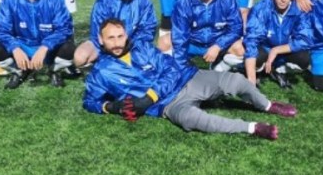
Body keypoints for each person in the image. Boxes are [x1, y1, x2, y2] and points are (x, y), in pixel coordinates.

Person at [83, 18, 299, 140]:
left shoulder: (143, 49)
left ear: (126, 35)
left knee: (236, 81)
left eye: (120, 36)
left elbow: (171, 69)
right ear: (101, 40)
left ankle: (268, 105)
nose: (117, 42)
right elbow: (89, 101)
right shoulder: (101, 72)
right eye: (111, 38)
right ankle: (253, 127)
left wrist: (149, 97)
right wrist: (110, 107)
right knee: (193, 120)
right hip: (168, 105)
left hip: (188, 78)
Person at [0, 0, 75, 89]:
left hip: (48, 49)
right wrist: (15, 48)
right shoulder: (10, 0)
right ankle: (19, 72)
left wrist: (45, 47)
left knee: (70, 48)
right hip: (22, 47)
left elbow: (65, 28)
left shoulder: (54, 0)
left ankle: (53, 70)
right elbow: (0, 29)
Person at [73, 0, 157, 67]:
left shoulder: (144, 0)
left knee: (150, 57)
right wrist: (113, 46)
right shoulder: (103, 2)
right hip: (108, 45)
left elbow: (148, 29)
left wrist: (129, 44)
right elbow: (97, 35)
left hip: (133, 44)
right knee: (80, 57)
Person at [171, 0, 244, 71]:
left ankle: (219, 68)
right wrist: (180, 68)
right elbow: (180, 37)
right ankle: (186, 67)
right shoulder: (183, 3)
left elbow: (236, 28)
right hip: (193, 43)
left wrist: (218, 45)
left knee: (240, 49)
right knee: (165, 43)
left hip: (218, 42)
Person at [244, 0, 312, 88]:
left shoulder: (300, 10)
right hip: (265, 49)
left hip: (284, 51)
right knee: (256, 56)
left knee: (303, 59)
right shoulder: (261, 8)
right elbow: (251, 41)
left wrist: (276, 50)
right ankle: (258, 72)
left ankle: (280, 70)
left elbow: (305, 40)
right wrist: (251, 82)